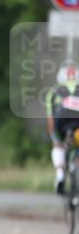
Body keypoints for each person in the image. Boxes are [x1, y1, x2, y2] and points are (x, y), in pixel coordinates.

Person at [47, 60, 79, 195]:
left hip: (62, 122)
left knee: (58, 146)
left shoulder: (53, 92)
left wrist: (54, 137)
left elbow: (51, 120)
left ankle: (60, 174)